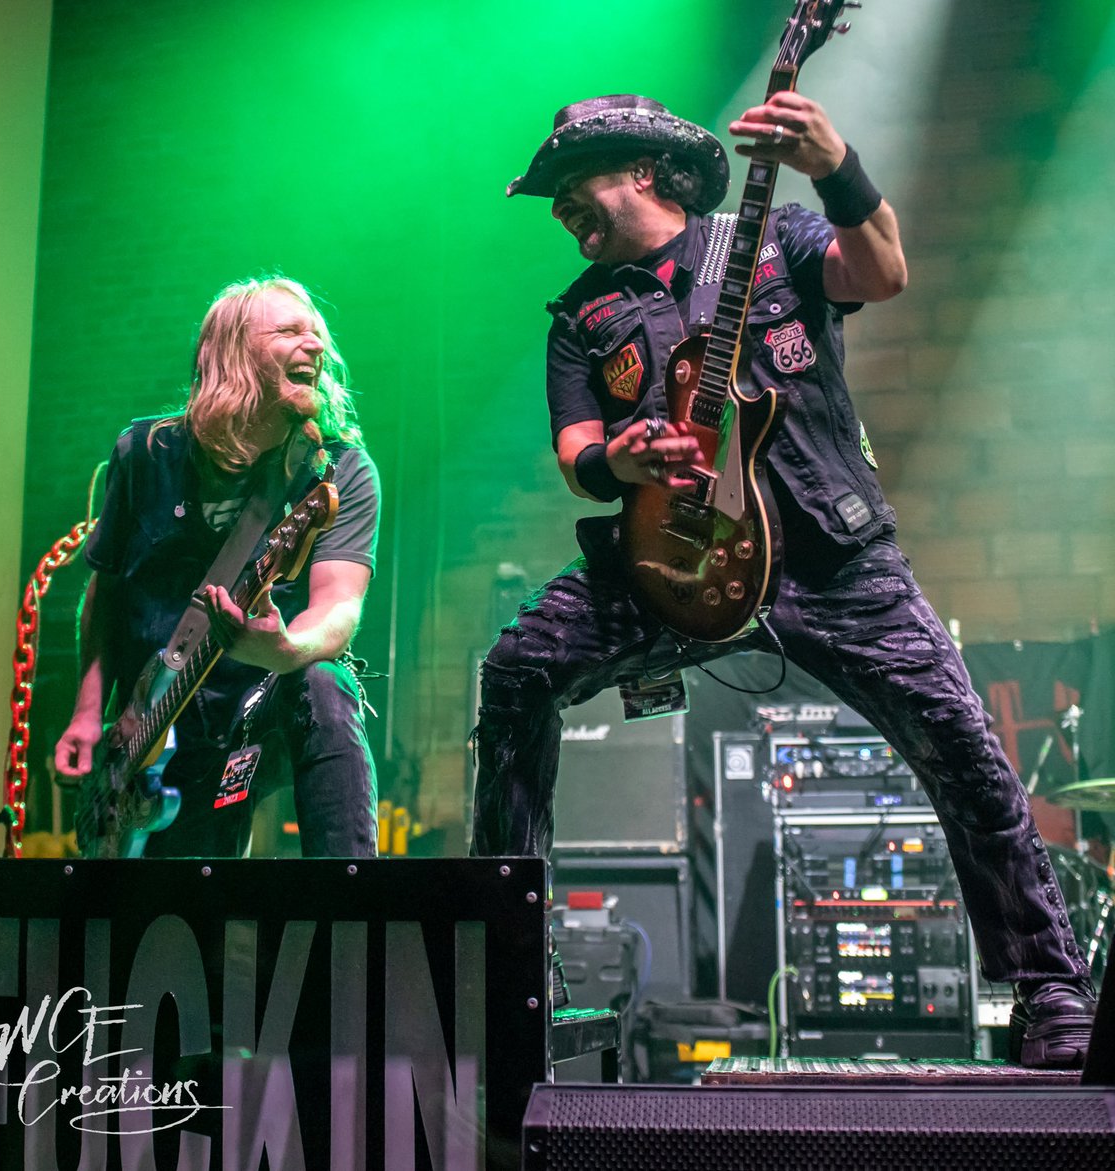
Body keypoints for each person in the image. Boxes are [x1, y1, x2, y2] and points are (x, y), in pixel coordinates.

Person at [470, 92, 1097, 1067]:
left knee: (963, 746)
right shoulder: (581, 314)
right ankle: (502, 966)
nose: (561, 211)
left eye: (572, 185)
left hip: (828, 555)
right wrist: (623, 463)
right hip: (668, 559)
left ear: (641, 169)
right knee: (516, 673)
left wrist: (833, 161)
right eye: (553, 199)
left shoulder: (774, 241)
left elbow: (882, 269)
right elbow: (577, 449)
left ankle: (1048, 987)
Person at [55, 275, 380, 859]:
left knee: (326, 683)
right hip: (153, 733)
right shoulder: (144, 455)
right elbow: (105, 590)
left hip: (255, 711)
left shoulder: (336, 472)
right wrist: (87, 712)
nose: (316, 347)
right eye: (289, 331)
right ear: (228, 351)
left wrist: (282, 650)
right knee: (179, 919)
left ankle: (350, 904)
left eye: (318, 335)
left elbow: (339, 606)